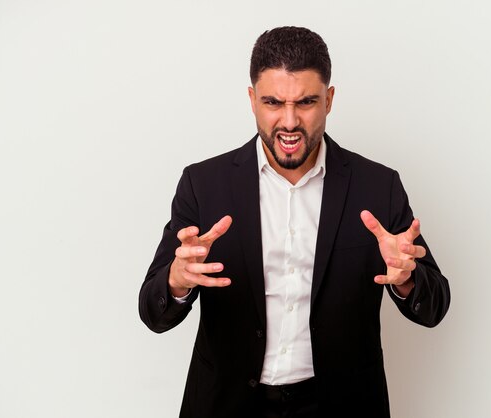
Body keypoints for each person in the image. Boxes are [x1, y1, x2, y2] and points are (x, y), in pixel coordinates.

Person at [139, 26, 450, 418]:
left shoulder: (378, 186)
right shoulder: (203, 185)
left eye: (305, 102)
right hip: (227, 404)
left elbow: (435, 306)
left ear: (329, 100)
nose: (289, 122)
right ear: (252, 100)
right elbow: (153, 312)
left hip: (341, 404)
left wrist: (406, 279)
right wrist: (176, 281)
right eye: (273, 102)